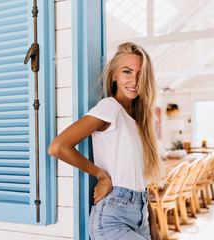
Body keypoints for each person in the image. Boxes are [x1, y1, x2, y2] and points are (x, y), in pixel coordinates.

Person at [48, 42, 165, 240]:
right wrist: (101, 175)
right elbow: (58, 147)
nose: (134, 80)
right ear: (114, 75)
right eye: (127, 72)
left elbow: (140, 181)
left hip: (142, 215)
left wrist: (154, 226)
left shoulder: (140, 121)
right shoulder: (110, 107)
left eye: (140, 73)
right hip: (113, 219)